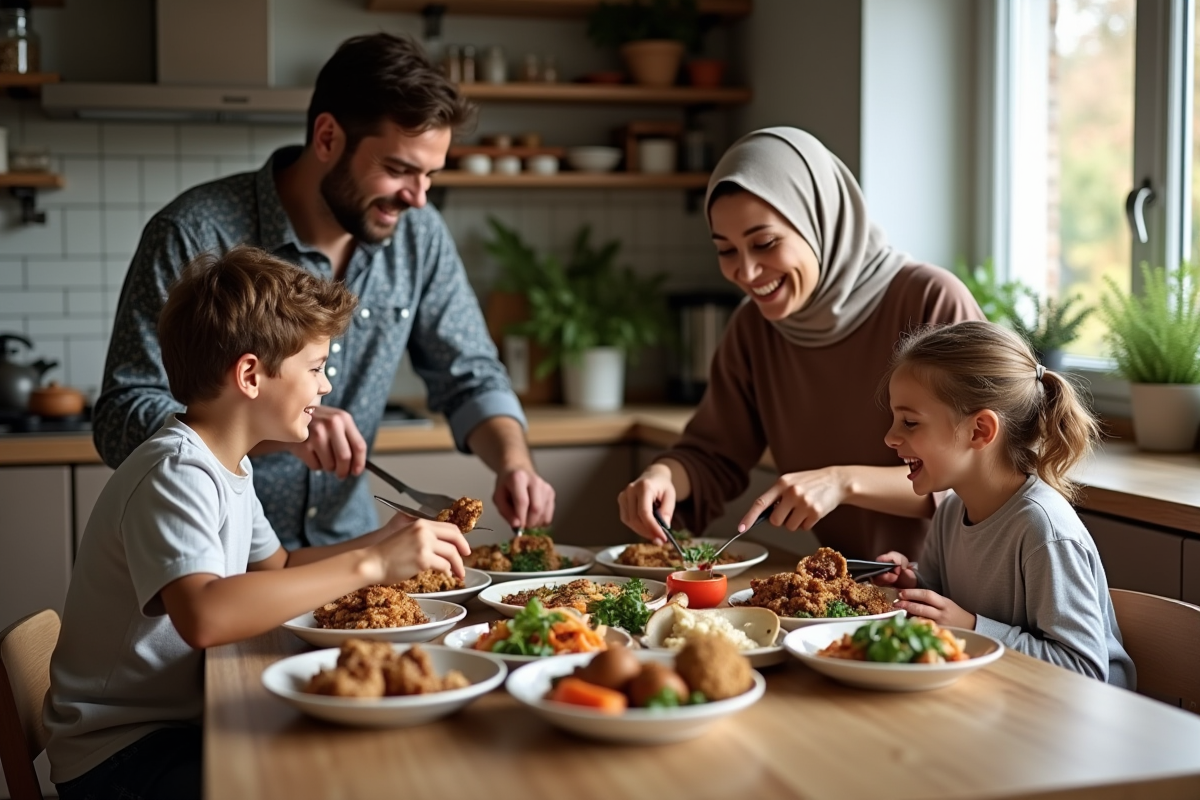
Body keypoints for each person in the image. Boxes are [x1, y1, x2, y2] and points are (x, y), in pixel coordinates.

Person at [93, 33, 554, 550]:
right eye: (399, 170)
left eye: (430, 175)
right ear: (328, 137)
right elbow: (120, 420)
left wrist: (514, 462)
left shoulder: (418, 236)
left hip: (347, 556)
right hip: (211, 556)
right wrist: (275, 431)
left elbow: (470, 376)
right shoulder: (194, 232)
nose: (418, 199)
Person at [45, 247, 472, 800]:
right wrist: (370, 563)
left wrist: (388, 541)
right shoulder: (178, 471)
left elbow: (281, 565)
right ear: (250, 374)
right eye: (316, 368)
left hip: (178, 724)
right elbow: (203, 614)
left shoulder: (230, 463)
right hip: (121, 753)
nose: (325, 387)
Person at [617, 127, 984, 559]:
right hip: (849, 588)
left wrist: (842, 482)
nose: (747, 272)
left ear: (820, 220)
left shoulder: (929, 299)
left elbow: (979, 467)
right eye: (726, 250)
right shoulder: (754, 328)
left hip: (948, 590)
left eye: (765, 243)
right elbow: (713, 455)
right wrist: (662, 476)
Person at [874, 320, 1134, 686]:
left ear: (980, 430)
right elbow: (946, 594)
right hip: (1000, 697)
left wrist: (971, 628)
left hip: (1082, 723)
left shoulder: (1044, 529)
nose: (890, 437)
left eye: (910, 422)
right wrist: (914, 581)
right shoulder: (951, 509)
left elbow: (1085, 669)